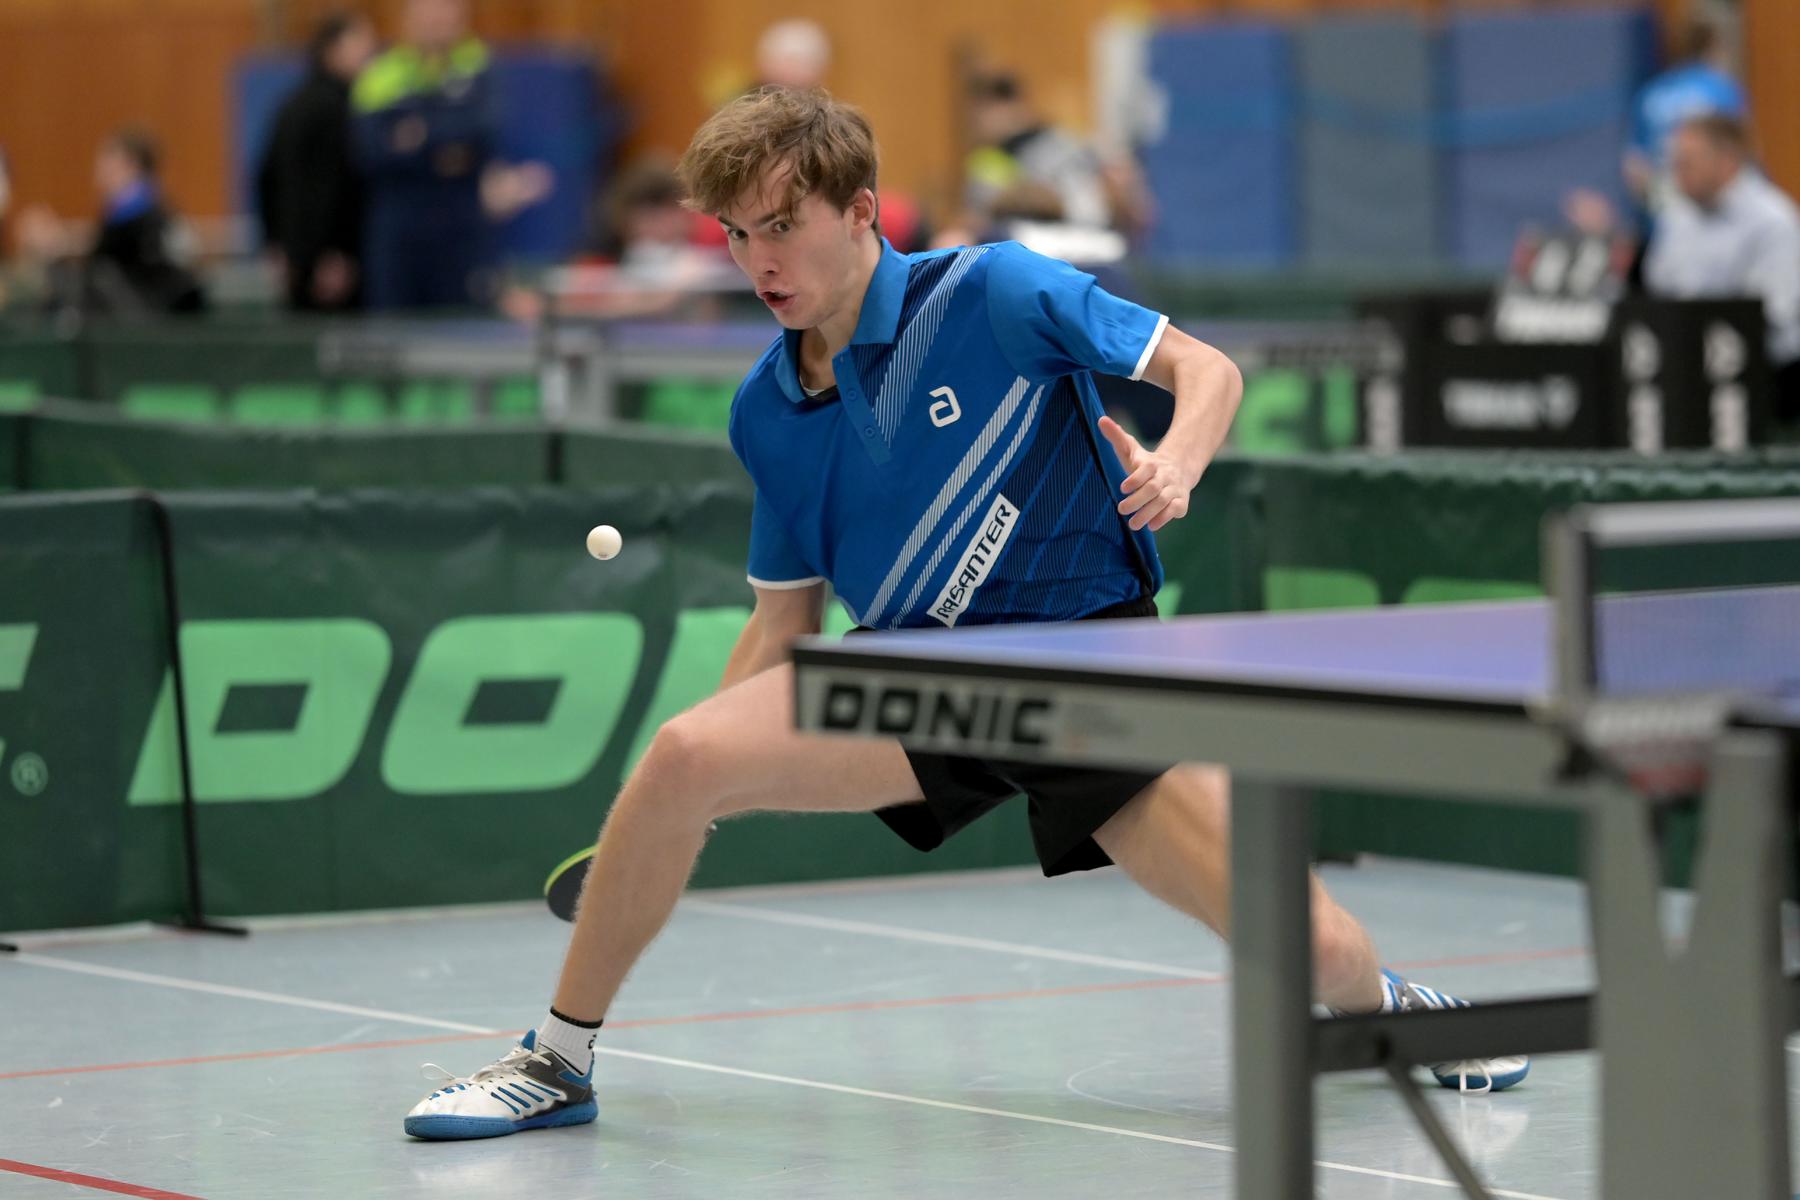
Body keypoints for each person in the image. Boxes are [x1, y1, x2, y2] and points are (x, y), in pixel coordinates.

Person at [402, 86, 1529, 1141]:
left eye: (781, 225)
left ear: (860, 211)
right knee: (685, 754)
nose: (758, 261)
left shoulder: (995, 292)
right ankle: (557, 1061)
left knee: (1312, 948)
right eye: (737, 234)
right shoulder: (766, 412)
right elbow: (784, 629)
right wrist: (687, 792)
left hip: (1089, 670)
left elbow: (1206, 370)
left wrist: (1177, 464)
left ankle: (1394, 1005)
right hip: (924, 679)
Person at [351, 0, 549, 309]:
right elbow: (371, 151)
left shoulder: (479, 66)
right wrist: (444, 149)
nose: (436, 20)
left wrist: (416, 135)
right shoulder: (382, 72)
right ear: (409, 17)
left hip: (462, 225)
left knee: (463, 322)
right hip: (399, 228)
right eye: (428, 11)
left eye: (445, 10)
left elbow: (483, 130)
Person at [1643, 114, 1800, 424]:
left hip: (1770, 383)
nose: (1678, 170)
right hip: (1688, 375)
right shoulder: (1677, 218)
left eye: (1688, 161)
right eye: (1675, 161)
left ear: (1728, 160)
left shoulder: (1774, 222)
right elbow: (1658, 290)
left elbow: (1772, 312)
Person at [256, 11, 377, 313]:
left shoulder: (292, 103)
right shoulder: (335, 109)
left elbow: (265, 178)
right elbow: (329, 188)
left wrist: (277, 246)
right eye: (361, 43)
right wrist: (332, 253)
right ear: (332, 49)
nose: (370, 53)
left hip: (297, 260)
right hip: (330, 266)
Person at [15, 128, 205, 316]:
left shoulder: (138, 211)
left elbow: (101, 260)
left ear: (131, 164)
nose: (98, 169)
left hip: (147, 316)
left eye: (107, 160)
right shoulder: (154, 204)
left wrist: (55, 247)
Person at [1625, 16, 1748, 208]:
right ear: (1713, 46)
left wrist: (1654, 202)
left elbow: (1635, 164)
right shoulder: (1721, 88)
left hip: (1664, 199)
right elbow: (1739, 149)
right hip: (1708, 196)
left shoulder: (1651, 91)